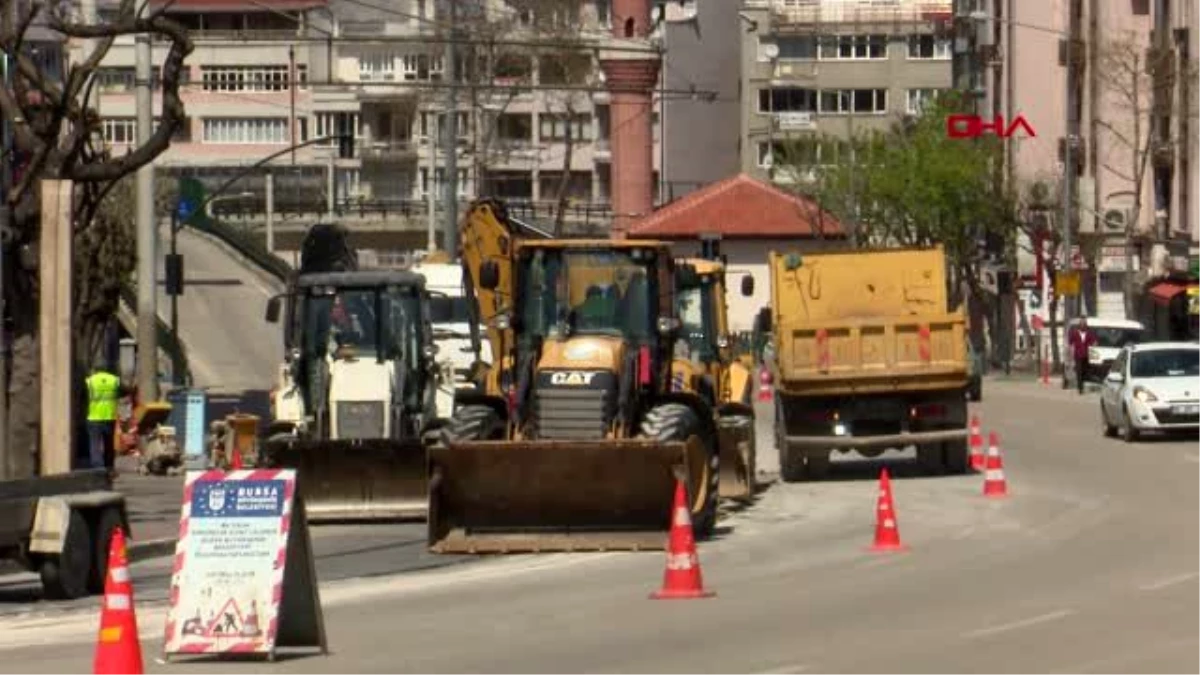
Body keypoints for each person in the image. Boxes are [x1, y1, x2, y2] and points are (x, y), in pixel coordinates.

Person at [85, 363, 134, 476]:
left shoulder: (90, 381)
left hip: (94, 416)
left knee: (95, 444)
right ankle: (109, 467)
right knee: (108, 444)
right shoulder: (113, 380)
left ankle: (98, 468)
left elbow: (82, 395)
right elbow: (126, 391)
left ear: (95, 370)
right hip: (109, 417)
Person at [1067, 318, 1098, 395]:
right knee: (1079, 371)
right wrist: (1070, 349)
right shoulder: (1075, 333)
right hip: (1078, 355)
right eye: (1082, 324)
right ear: (1079, 325)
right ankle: (1080, 388)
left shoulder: (1089, 333)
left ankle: (1082, 383)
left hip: (1086, 355)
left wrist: (1094, 344)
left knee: (1084, 371)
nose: (1083, 325)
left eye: (1084, 324)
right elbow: (1070, 342)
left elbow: (1094, 341)